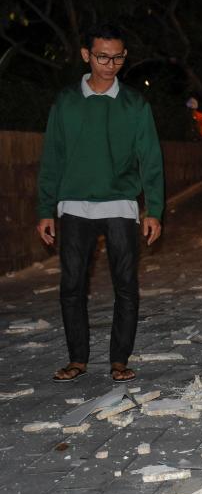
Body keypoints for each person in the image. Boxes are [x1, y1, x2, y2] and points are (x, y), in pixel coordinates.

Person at [35, 23, 164, 383]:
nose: (111, 64)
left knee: (126, 286)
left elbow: (150, 159)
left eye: (118, 57)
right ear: (86, 55)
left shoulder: (135, 104)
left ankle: (119, 360)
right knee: (72, 286)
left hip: (121, 205)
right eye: (103, 56)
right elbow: (52, 158)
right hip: (74, 206)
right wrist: (45, 208)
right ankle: (77, 359)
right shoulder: (66, 101)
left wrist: (154, 209)